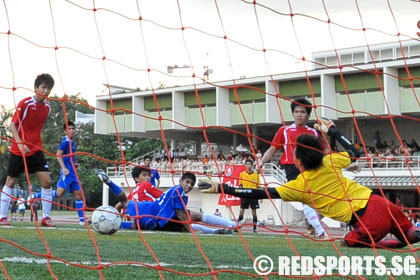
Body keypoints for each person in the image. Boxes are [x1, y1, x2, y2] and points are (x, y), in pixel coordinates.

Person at [199, 119, 420, 248]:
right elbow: (356, 152)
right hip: (382, 203)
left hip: (367, 220)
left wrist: (222, 188)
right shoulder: (329, 160)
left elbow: (261, 193)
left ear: (298, 160)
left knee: (349, 243)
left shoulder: (298, 186)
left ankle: (387, 244)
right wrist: (333, 130)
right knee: (409, 233)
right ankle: (409, 235)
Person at [94, 169, 237, 234]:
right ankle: (230, 225)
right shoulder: (153, 186)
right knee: (191, 217)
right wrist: (191, 232)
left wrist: (113, 213)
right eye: (146, 175)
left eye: (191, 184)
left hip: (146, 212)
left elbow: (122, 202)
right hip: (155, 214)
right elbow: (180, 214)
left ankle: (108, 221)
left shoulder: (135, 190)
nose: (188, 186)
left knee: (134, 225)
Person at [260, 97, 325, 238]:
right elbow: (272, 149)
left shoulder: (313, 132)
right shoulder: (284, 130)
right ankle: (320, 230)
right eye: (296, 112)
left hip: (310, 169)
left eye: (302, 112)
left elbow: (322, 153)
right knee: (306, 197)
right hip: (292, 168)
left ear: (308, 115)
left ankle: (312, 224)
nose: (299, 114)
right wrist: (261, 163)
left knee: (317, 199)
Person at [0, 73, 55, 227]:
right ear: (36, 87)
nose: (46, 91)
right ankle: (2, 217)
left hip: (36, 149)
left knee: (47, 182)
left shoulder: (48, 108)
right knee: (10, 181)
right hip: (19, 149)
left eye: (48, 88)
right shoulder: (25, 103)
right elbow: (12, 125)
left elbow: (36, 128)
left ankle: (46, 218)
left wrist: (31, 143)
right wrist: (20, 142)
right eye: (43, 87)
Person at [31, 121, 86, 225]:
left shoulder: (72, 142)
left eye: (73, 128)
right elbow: (58, 155)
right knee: (60, 194)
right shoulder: (66, 141)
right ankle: (38, 195)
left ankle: (82, 221)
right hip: (66, 173)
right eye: (69, 129)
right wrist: (64, 168)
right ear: (65, 131)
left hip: (73, 173)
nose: (72, 131)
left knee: (79, 195)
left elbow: (68, 157)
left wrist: (74, 165)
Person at [238, 159, 262, 233]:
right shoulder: (242, 174)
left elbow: (259, 186)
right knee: (242, 210)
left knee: (254, 211)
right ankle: (238, 227)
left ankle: (254, 228)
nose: (248, 166)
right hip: (245, 194)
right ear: (245, 165)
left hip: (253, 195)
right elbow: (240, 185)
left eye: (250, 164)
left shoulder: (256, 175)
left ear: (252, 165)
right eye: (247, 164)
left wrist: (260, 196)